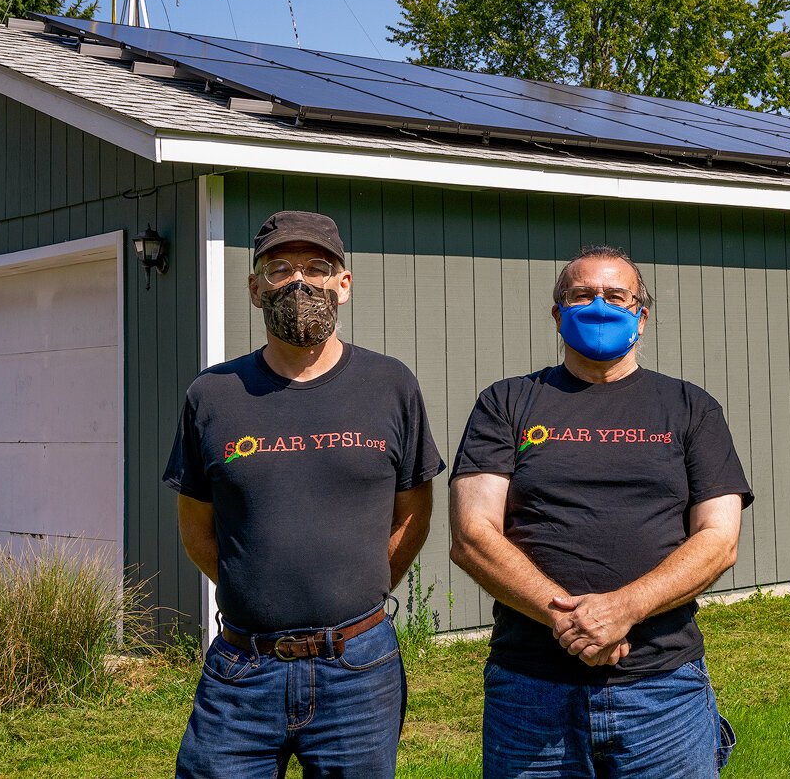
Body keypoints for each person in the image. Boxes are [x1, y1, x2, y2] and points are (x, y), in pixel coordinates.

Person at [449, 244, 752, 778]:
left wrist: (625, 609)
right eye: (581, 295)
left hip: (662, 689)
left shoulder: (690, 407)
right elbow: (473, 534)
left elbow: (719, 539)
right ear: (557, 313)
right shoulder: (507, 402)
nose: (599, 306)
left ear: (642, 315)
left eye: (616, 296)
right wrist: (570, 620)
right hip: (531, 690)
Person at [164, 210, 443, 779]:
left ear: (344, 283)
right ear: (254, 288)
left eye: (317, 267)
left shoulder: (392, 385)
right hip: (242, 670)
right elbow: (196, 528)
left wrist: (357, 588)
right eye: (279, 269)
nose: (299, 281)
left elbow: (414, 515)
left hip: (358, 667)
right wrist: (256, 589)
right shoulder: (212, 395)